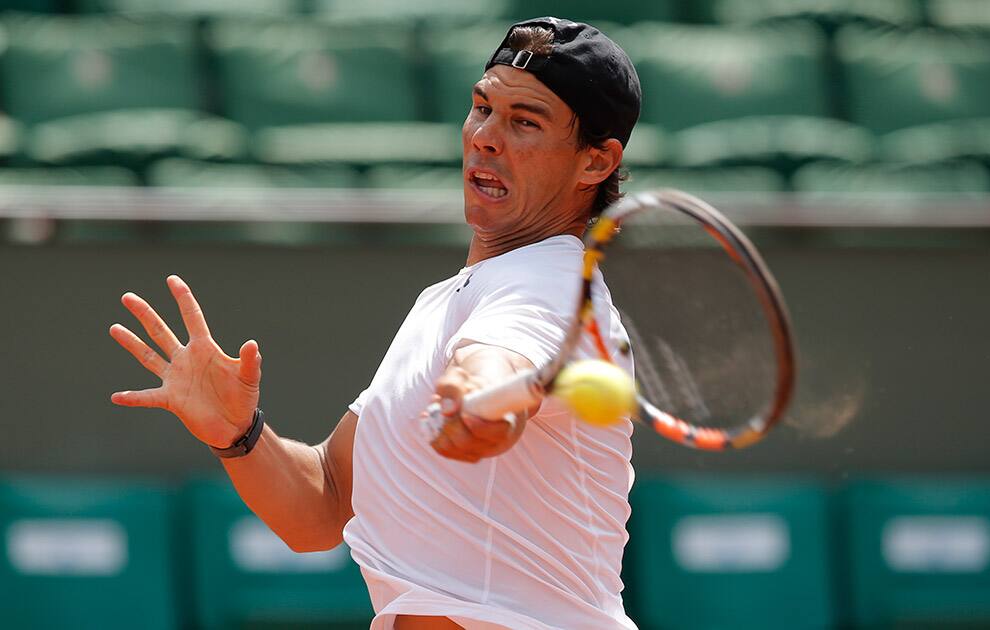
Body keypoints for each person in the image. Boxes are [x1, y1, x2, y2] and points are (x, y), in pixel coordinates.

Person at [110, 17, 642, 630]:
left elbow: (499, 360)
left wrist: (480, 396)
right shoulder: (446, 300)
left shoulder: (550, 286)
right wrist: (238, 434)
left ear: (595, 162)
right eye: (480, 107)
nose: (486, 138)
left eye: (525, 122)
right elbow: (324, 503)